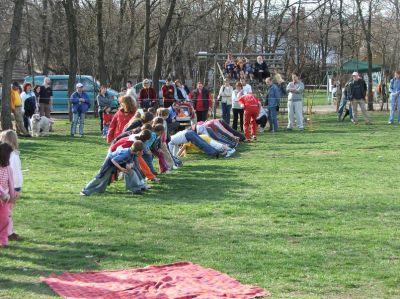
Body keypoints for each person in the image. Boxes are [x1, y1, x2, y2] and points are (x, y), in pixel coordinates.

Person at [81, 141, 146, 196]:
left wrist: (130, 165)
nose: (143, 153)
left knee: (131, 172)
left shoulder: (133, 153)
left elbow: (131, 161)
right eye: (142, 151)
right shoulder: (126, 154)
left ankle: (135, 189)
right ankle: (85, 191)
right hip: (110, 162)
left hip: (119, 162)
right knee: (101, 177)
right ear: (138, 151)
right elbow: (113, 160)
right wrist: (121, 168)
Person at [0, 130, 23, 241]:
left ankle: (9, 232)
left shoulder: (11, 156)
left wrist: (13, 190)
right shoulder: (14, 154)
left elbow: (12, 174)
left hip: (11, 187)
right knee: (7, 212)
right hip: (11, 187)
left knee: (7, 212)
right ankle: (8, 232)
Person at [0, 143, 17, 247]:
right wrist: (2, 194)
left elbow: (11, 182)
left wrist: (11, 195)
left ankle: (3, 240)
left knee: (5, 219)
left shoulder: (7, 168)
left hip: (5, 199)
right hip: (2, 196)